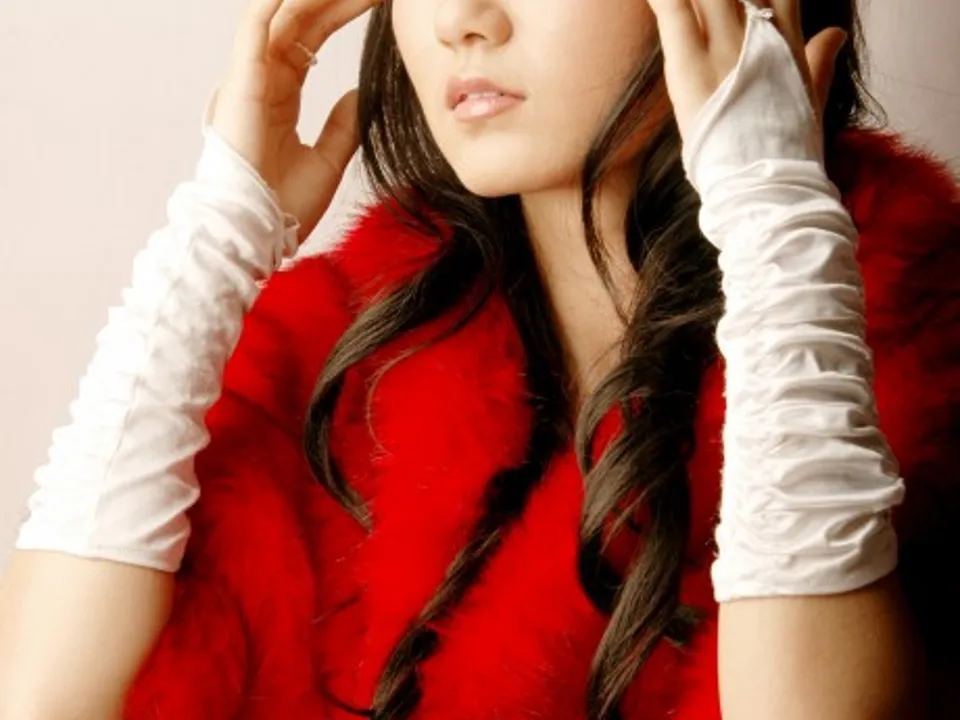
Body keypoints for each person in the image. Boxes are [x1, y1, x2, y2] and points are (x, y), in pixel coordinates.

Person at [0, 0, 957, 717]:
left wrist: (776, 221)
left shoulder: (917, 348)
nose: (461, 19)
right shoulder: (339, 361)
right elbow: (44, 699)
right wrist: (218, 229)